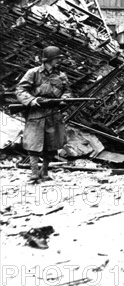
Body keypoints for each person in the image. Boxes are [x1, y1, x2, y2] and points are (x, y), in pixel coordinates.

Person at [16, 46, 72, 183]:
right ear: (49, 60)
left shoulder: (61, 75)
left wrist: (65, 99)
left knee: (51, 144)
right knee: (33, 144)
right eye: (56, 59)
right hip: (37, 112)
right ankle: (34, 173)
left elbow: (68, 91)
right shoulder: (33, 73)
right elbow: (20, 90)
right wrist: (32, 100)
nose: (59, 61)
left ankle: (45, 171)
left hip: (53, 113)